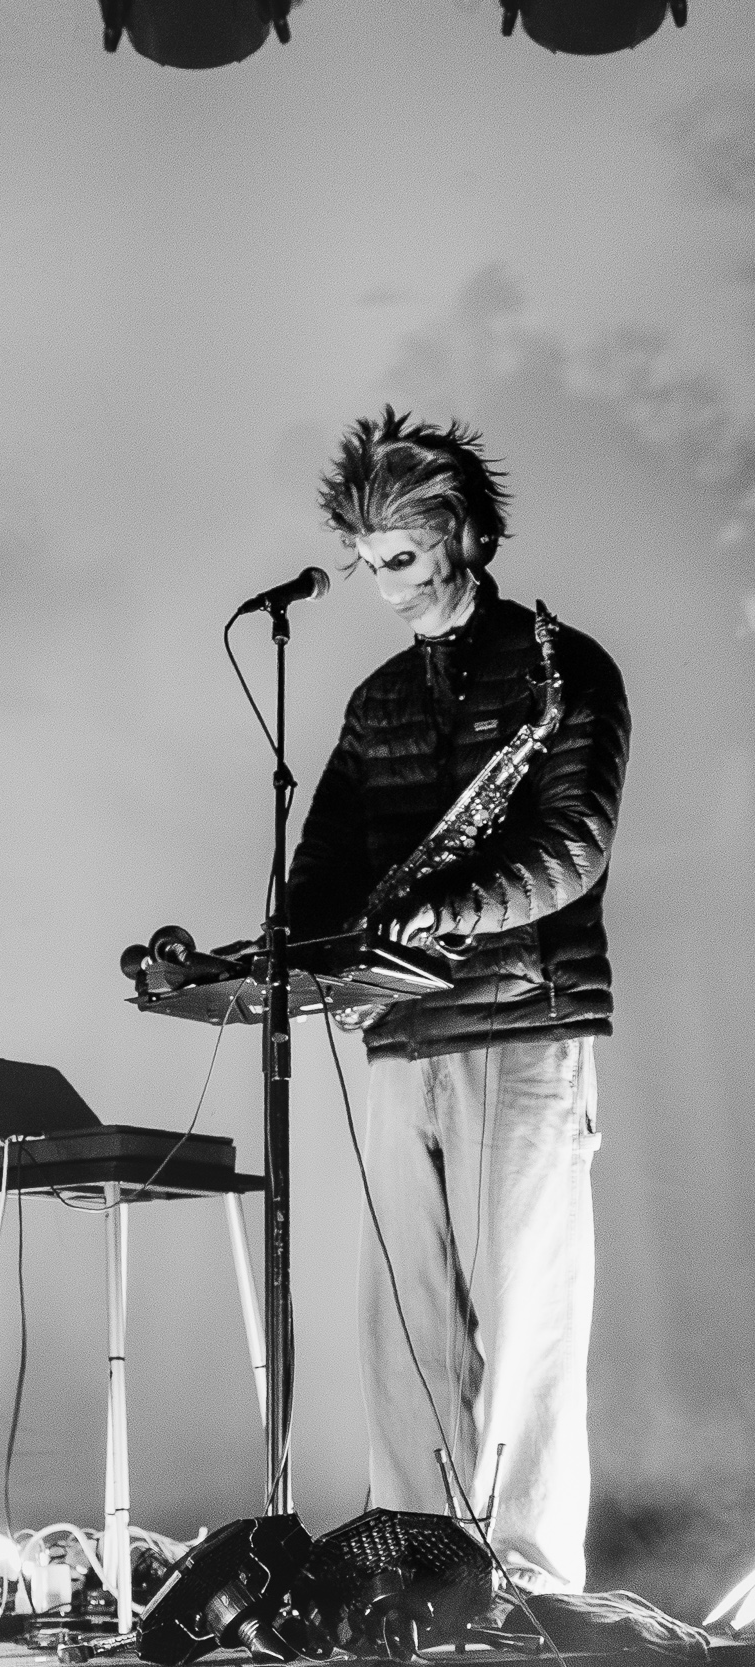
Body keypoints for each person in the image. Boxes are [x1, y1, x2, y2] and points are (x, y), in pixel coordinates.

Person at [286, 408, 630, 1596]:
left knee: (525, 1324)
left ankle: (527, 1586)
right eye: (368, 562)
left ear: (468, 537)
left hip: (526, 1022)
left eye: (404, 558)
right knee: (405, 1326)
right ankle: (415, 1570)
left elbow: (573, 845)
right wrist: (303, 950)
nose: (387, 587)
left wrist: (447, 910)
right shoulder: (377, 698)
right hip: (401, 1032)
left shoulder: (564, 668)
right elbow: (325, 864)